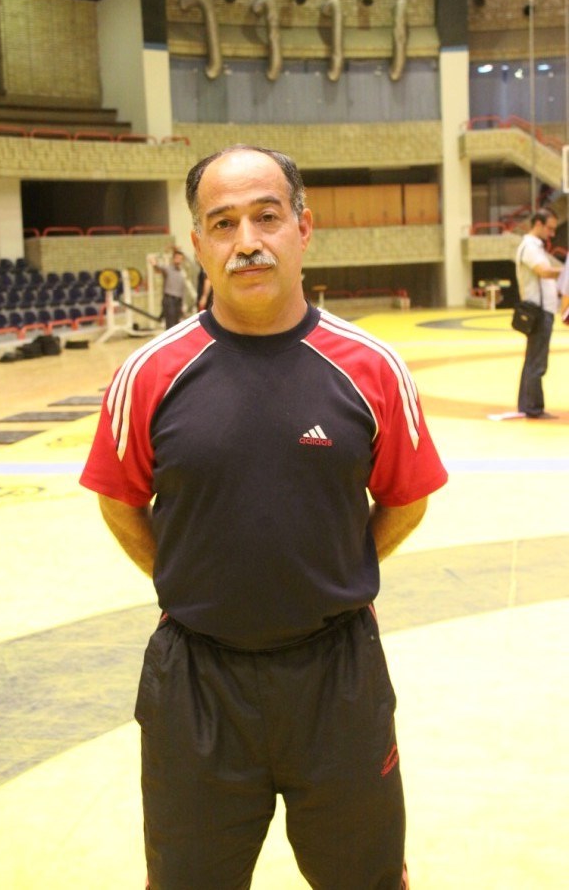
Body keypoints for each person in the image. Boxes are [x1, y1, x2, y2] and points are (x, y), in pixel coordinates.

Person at [80, 145, 448, 890]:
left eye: (266, 216)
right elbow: (118, 498)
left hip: (338, 679)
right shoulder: (149, 374)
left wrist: (332, 571)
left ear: (303, 228)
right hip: (197, 683)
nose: (246, 240)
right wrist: (187, 579)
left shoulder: (371, 367)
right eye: (223, 223)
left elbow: (407, 497)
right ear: (198, 244)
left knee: (367, 881)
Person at [515, 208, 562, 419]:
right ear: (538, 224)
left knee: (533, 360)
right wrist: (566, 271)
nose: (552, 234)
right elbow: (544, 271)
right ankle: (533, 407)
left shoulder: (534, 247)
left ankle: (528, 405)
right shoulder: (530, 247)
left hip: (541, 311)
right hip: (539, 312)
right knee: (537, 362)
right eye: (549, 229)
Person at [153, 246, 187, 329]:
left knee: (177, 325)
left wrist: (183, 304)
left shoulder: (182, 272)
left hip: (178, 301)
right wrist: (154, 264)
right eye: (177, 258)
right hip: (169, 300)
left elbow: (182, 289)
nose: (178, 260)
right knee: (170, 325)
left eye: (180, 258)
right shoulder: (168, 269)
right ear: (173, 259)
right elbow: (158, 268)